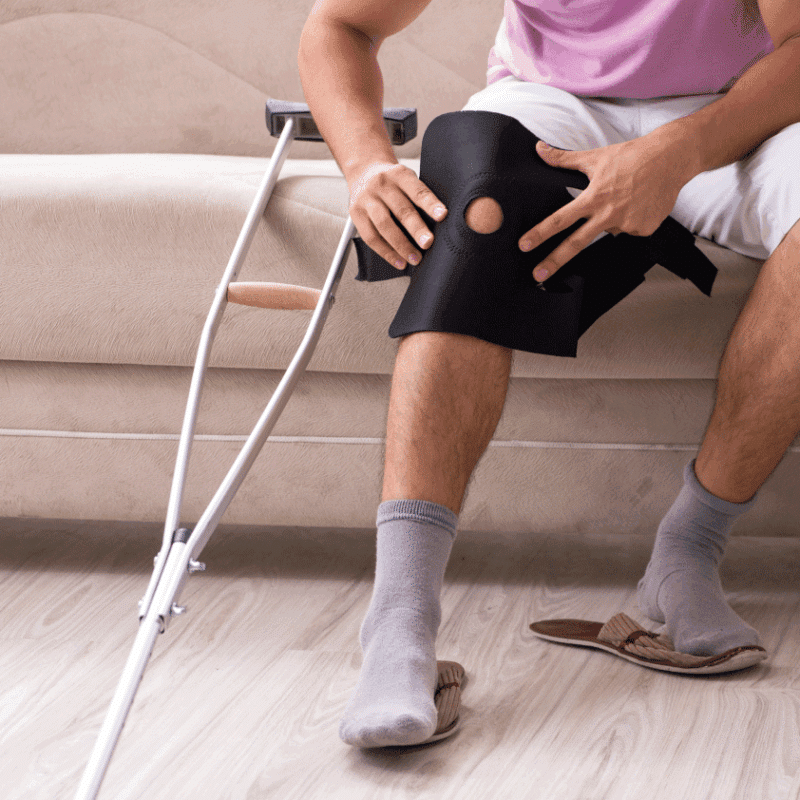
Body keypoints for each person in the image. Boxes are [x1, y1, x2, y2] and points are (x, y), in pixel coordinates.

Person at [298, 0, 800, 747]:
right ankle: (399, 625)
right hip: (552, 103)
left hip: (737, 109)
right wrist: (366, 161)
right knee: (476, 216)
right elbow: (339, 25)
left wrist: (677, 150)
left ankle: (686, 554)